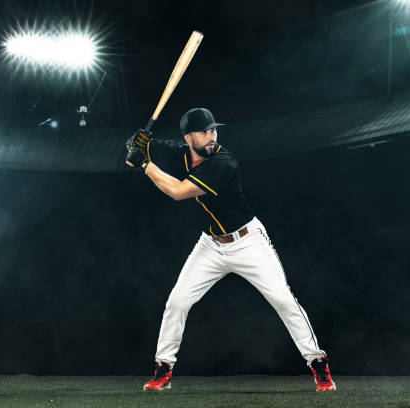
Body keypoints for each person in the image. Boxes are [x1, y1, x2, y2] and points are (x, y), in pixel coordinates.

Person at [125, 107, 336, 392]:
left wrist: (144, 165)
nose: (212, 136)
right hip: (210, 244)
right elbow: (155, 147)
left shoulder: (223, 163)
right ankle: (163, 369)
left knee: (284, 300)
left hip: (248, 241)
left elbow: (177, 191)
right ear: (189, 138)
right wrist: (139, 143)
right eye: (204, 131)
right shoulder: (182, 152)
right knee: (177, 302)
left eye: (214, 129)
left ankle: (318, 364)